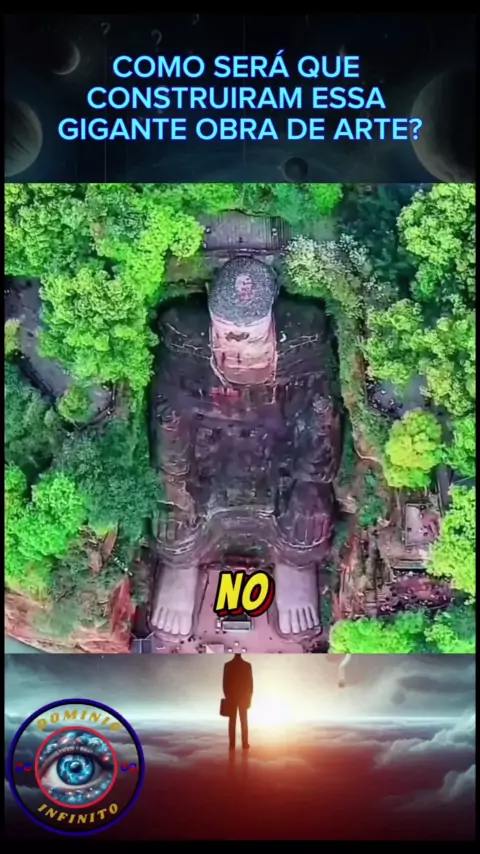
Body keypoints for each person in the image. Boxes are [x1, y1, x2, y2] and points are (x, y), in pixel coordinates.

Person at [150, 256, 341, 641]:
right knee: (174, 522)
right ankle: (181, 566)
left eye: (249, 337)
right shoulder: (185, 339)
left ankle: (295, 567)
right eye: (226, 335)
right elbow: (169, 416)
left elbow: (320, 420)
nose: (236, 346)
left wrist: (309, 482)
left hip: (279, 461)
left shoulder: (302, 340)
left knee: (309, 520)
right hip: (209, 462)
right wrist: (175, 480)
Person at [223, 653, 253, 750]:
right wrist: (249, 699)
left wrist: (227, 696)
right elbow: (250, 685)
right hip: (243, 698)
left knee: (232, 722)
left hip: (231, 697)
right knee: (244, 722)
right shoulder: (247, 665)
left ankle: (232, 745)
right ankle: (245, 744)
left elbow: (225, 683)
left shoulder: (228, 665)